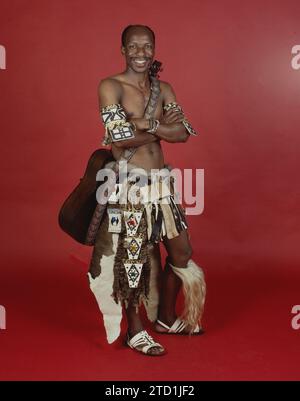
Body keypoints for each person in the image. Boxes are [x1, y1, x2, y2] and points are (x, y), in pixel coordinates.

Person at [87, 24, 206, 356]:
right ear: (123, 49)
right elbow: (120, 139)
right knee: (132, 260)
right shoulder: (111, 86)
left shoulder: (163, 88)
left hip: (161, 187)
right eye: (133, 46)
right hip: (129, 186)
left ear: (154, 48)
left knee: (181, 253)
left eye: (147, 46)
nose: (141, 52)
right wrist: (162, 130)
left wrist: (148, 124)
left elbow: (183, 133)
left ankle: (165, 318)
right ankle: (134, 331)